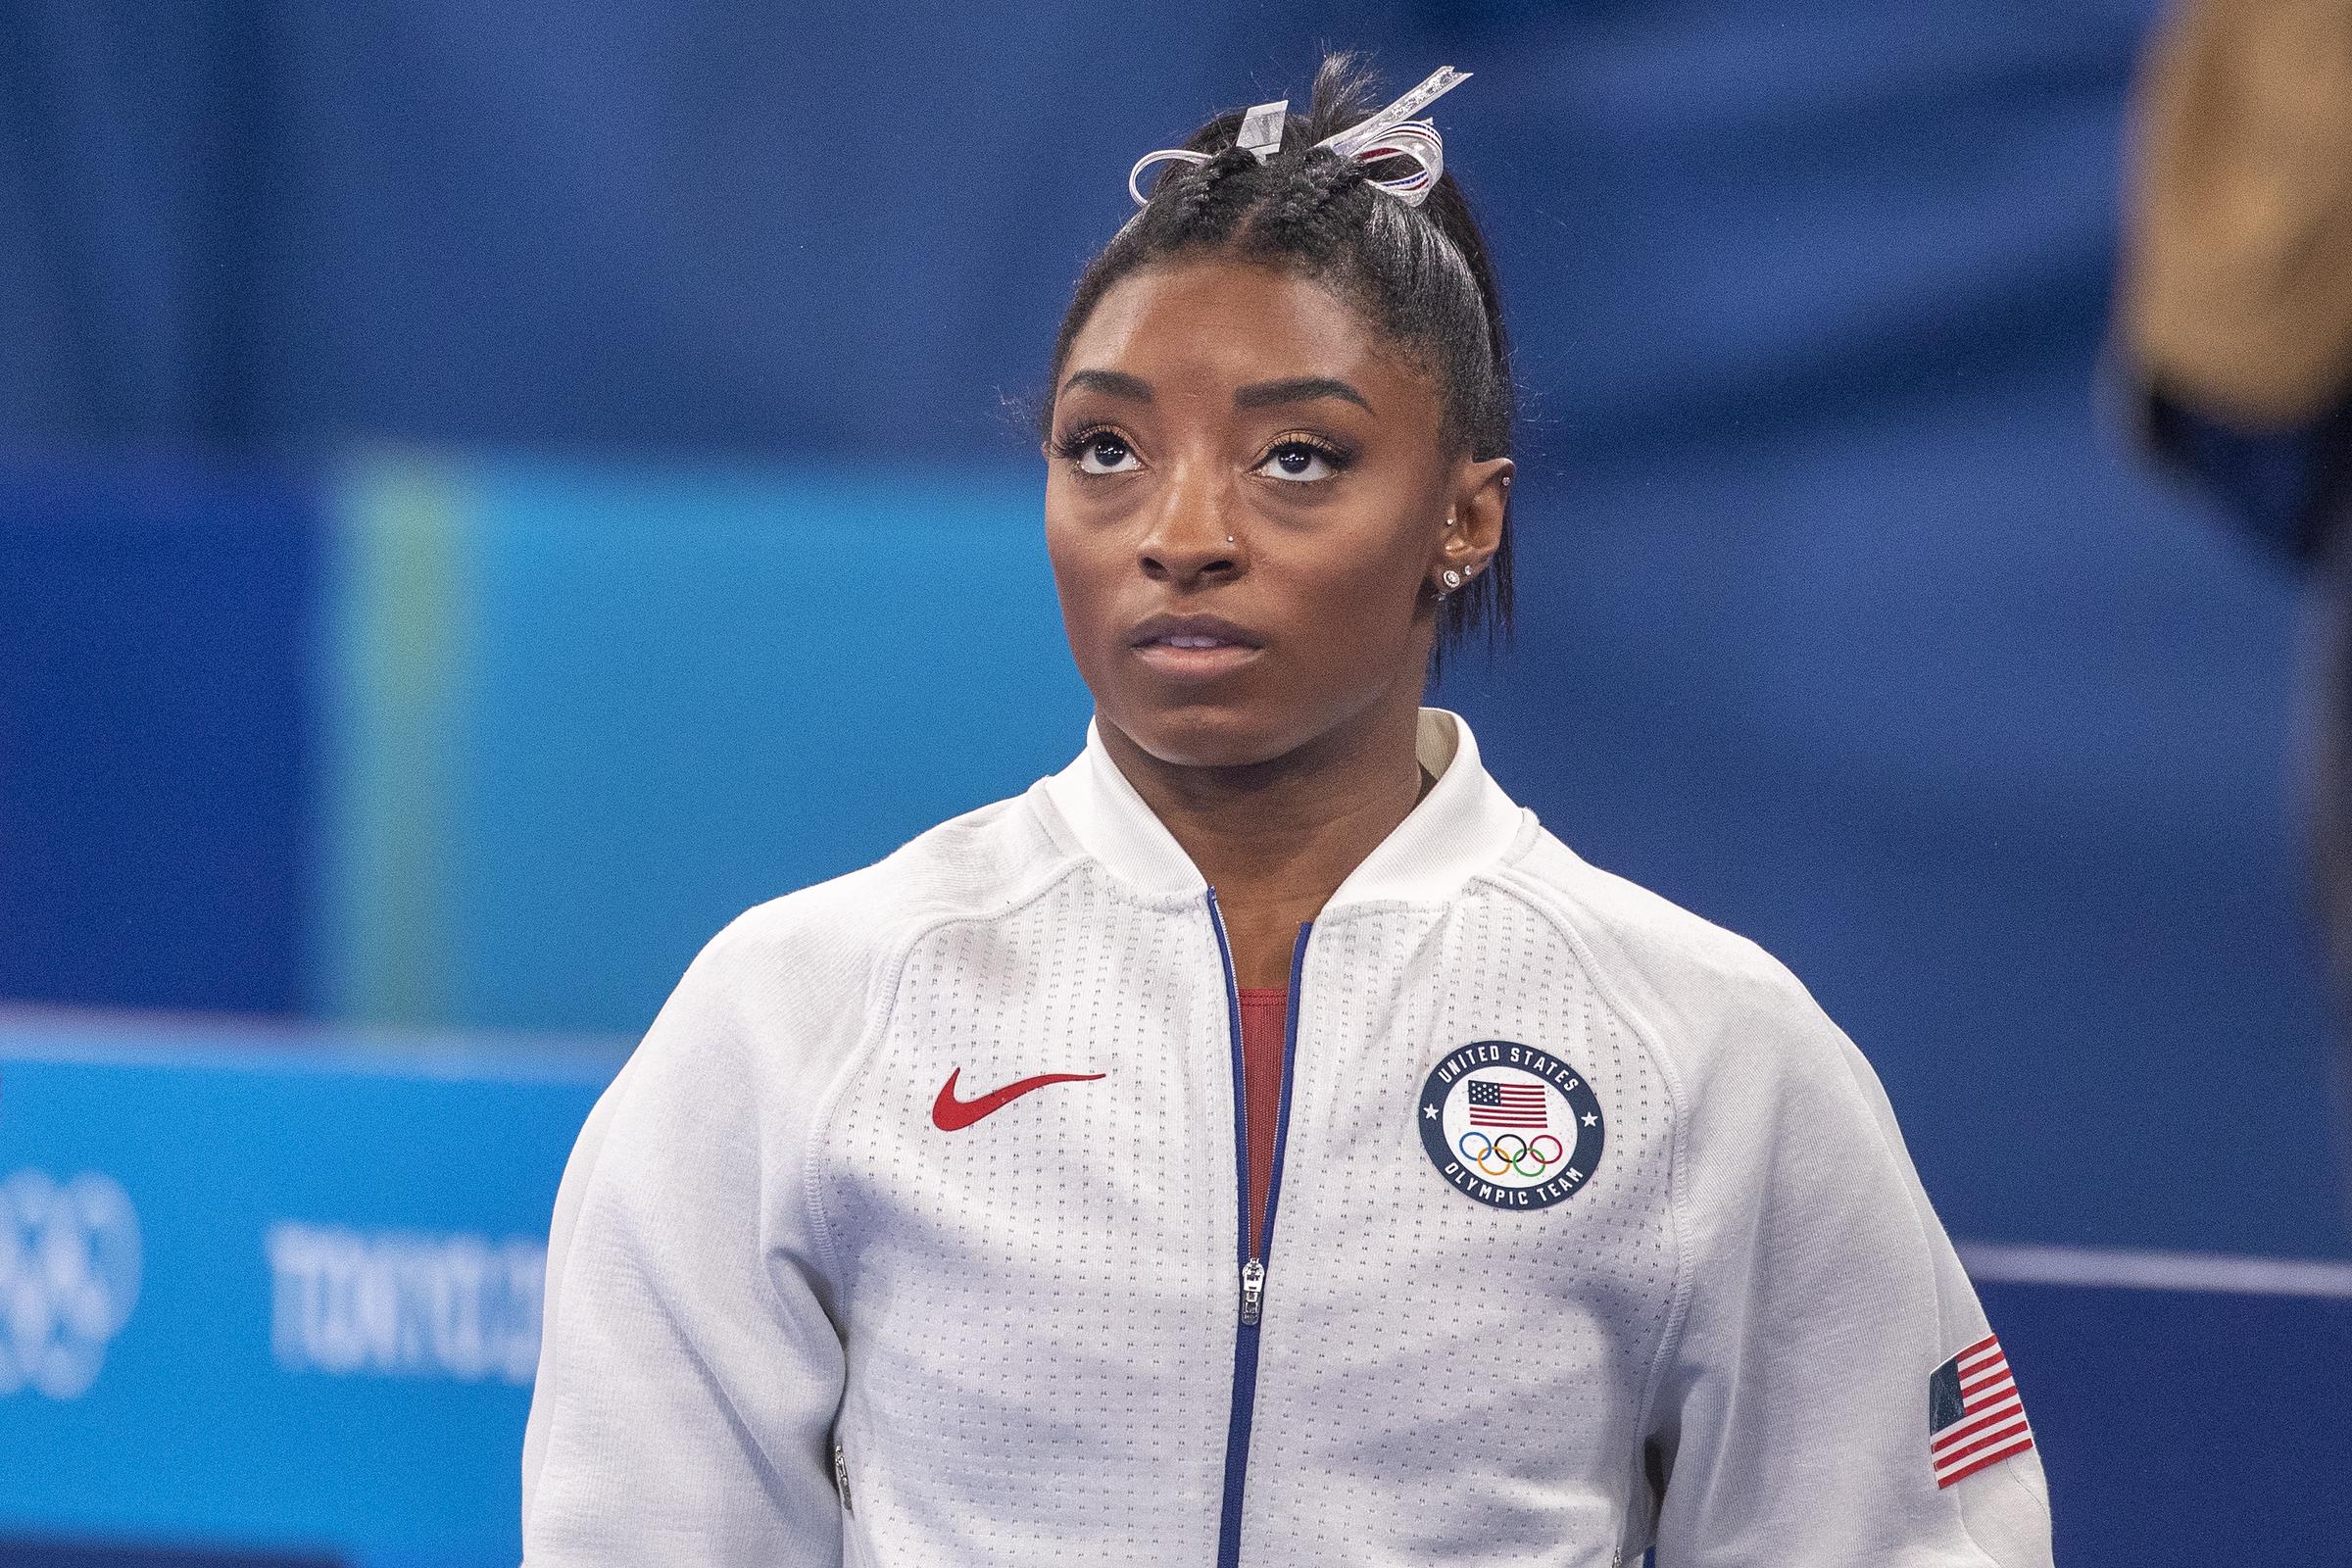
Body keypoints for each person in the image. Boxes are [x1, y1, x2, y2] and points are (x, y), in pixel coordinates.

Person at [519, 54, 2055, 1566]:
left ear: (1465, 513)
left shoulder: (1705, 1049)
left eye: (1298, 459)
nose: (1181, 535)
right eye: (1104, 450)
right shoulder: (802, 1014)